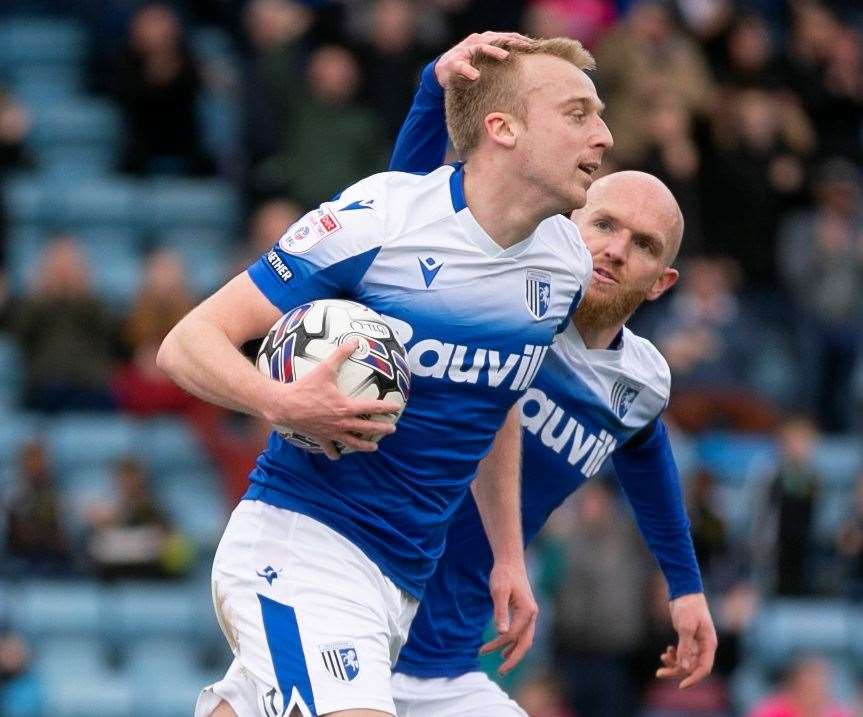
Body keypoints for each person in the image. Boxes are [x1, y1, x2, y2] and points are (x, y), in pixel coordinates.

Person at [158, 33, 611, 717]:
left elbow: (495, 405)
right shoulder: (378, 220)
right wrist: (279, 401)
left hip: (401, 582)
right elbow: (187, 341)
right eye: (577, 113)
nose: (602, 136)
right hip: (302, 546)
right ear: (502, 127)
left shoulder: (562, 265)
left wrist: (508, 554)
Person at [385, 38, 716, 717]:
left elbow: (645, 452)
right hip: (365, 612)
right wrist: (431, 91)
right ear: (570, 223)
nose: (616, 249)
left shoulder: (641, 382)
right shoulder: (501, 298)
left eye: (643, 245)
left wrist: (685, 586)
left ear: (663, 281)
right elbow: (400, 229)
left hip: (445, 661)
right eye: (604, 224)